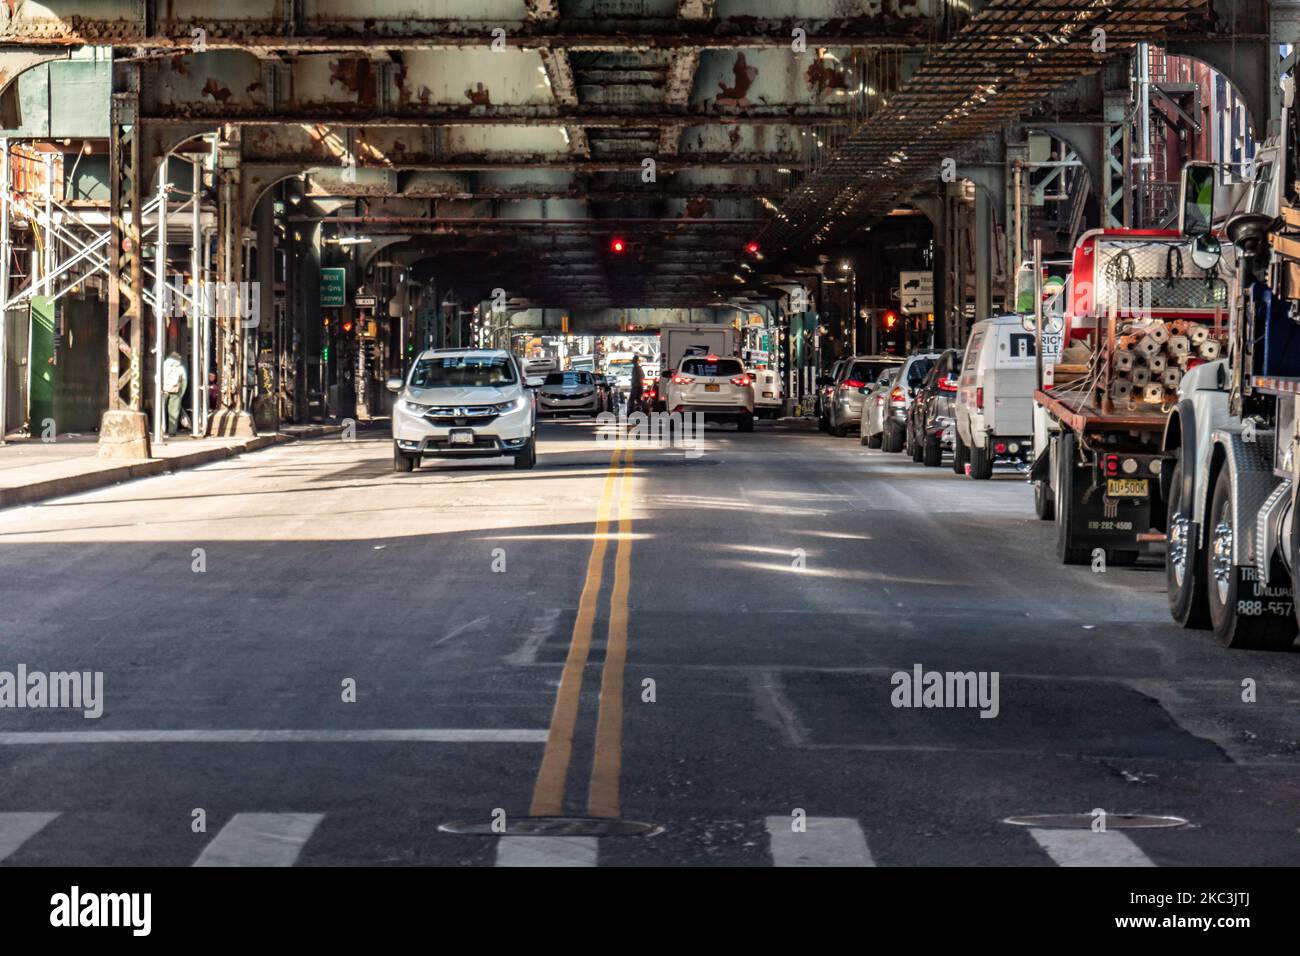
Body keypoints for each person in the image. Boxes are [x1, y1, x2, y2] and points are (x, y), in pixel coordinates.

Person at [162, 352, 188, 436]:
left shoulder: (163, 365)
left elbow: (157, 377)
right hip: (176, 391)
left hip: (164, 390)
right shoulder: (180, 367)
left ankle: (160, 429)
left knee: (160, 410)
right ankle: (171, 432)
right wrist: (182, 393)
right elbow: (184, 381)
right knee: (173, 412)